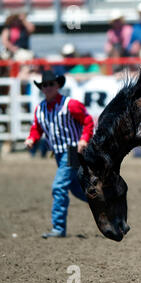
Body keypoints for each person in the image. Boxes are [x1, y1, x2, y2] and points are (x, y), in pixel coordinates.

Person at [24, 70, 94, 239]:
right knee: (77, 189)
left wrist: (84, 139)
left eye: (50, 84)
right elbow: (37, 128)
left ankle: (58, 227)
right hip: (58, 152)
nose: (47, 87)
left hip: (71, 151)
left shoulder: (70, 105)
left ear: (57, 86)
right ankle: (103, 202)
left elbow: (87, 121)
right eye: (44, 85)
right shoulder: (40, 109)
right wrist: (31, 139)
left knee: (59, 186)